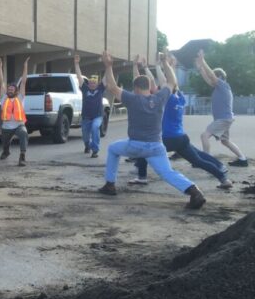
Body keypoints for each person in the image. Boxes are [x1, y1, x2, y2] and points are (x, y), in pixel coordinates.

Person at [97, 51, 205, 209]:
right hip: (156, 147)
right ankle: (195, 192)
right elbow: (172, 81)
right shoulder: (160, 98)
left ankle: (110, 185)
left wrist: (108, 66)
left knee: (113, 149)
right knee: (167, 172)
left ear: (135, 88)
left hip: (135, 146)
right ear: (149, 87)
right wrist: (165, 63)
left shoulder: (132, 99)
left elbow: (112, 87)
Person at [129, 53, 232, 189]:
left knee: (143, 149)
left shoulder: (167, 98)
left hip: (166, 138)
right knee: (198, 160)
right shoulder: (181, 98)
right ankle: (223, 178)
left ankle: (142, 177)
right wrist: (163, 65)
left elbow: (156, 82)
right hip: (181, 138)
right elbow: (165, 81)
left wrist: (161, 65)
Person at [196, 50, 248, 167]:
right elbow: (208, 78)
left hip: (223, 119)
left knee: (204, 136)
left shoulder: (223, 85)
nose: (212, 79)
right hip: (225, 119)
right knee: (225, 141)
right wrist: (200, 68)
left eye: (214, 76)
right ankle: (242, 159)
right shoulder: (219, 87)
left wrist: (203, 61)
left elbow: (211, 76)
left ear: (219, 77)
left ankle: (206, 160)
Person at [0, 56, 30, 166]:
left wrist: (25, 66)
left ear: (15, 91)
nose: (10, 90)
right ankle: (6, 151)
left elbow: (24, 82)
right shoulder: (3, 98)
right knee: (5, 143)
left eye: (12, 89)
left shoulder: (20, 98)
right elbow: (1, 81)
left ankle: (22, 156)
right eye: (9, 89)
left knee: (23, 133)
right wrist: (0, 67)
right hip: (6, 127)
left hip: (18, 125)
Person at [74, 54, 106, 158]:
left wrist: (108, 66)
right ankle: (87, 145)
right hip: (86, 117)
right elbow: (79, 76)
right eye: (91, 83)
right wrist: (76, 63)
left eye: (94, 83)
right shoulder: (85, 89)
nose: (92, 84)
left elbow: (106, 77)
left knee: (95, 127)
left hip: (97, 116)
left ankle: (95, 150)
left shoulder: (100, 89)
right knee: (85, 136)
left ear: (97, 84)